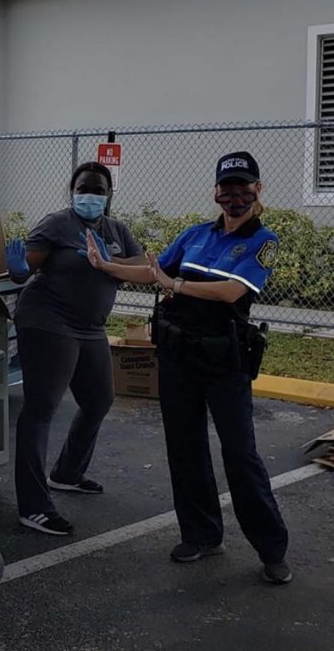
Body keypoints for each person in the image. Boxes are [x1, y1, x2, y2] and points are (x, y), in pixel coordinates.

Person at [85, 151, 291, 584]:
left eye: (244, 187)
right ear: (216, 192)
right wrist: (108, 265)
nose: (235, 196)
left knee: (240, 454)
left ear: (258, 190)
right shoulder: (196, 235)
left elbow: (232, 292)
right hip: (180, 358)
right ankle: (201, 534)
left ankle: (272, 548)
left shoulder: (263, 241)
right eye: (227, 187)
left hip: (224, 361)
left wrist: (174, 284)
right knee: (185, 447)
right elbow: (152, 269)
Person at [5, 162, 146, 536]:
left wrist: (112, 261)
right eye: (84, 187)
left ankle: (67, 473)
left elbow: (145, 265)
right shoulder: (58, 224)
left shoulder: (117, 230)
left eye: (99, 189)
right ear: (72, 190)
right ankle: (33, 506)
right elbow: (24, 270)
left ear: (109, 194)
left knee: (99, 398)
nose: (91, 195)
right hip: (48, 320)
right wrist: (18, 267)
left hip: (90, 327)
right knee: (41, 408)